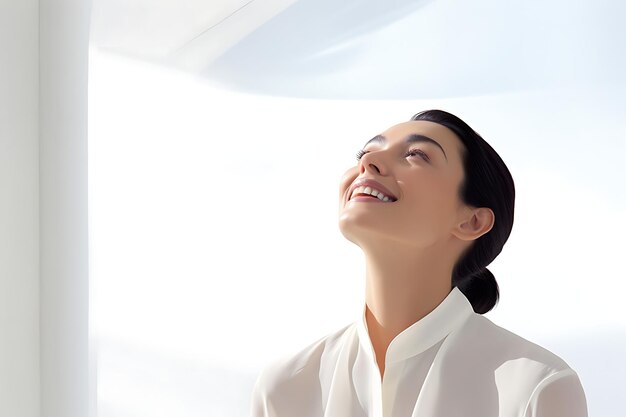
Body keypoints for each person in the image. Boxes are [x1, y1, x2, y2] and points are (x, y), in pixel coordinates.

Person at [250, 109, 588, 417]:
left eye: (416, 154)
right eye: (364, 153)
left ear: (472, 222)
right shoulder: (286, 388)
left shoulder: (536, 388)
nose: (370, 162)